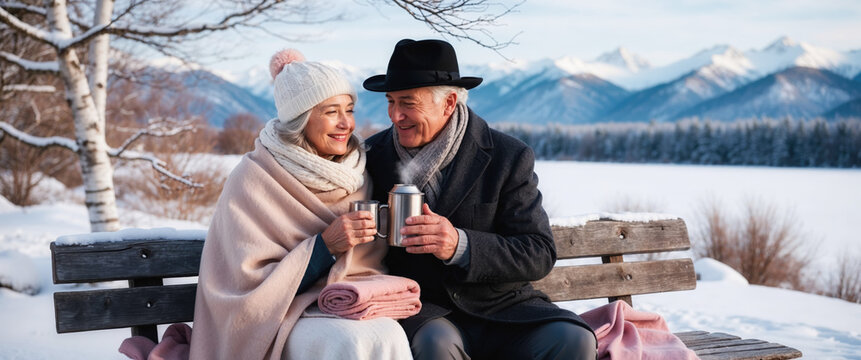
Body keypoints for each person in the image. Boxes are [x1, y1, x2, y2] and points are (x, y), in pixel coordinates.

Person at [363, 39, 598, 360]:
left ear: (448, 103)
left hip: (505, 307)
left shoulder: (508, 156)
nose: (395, 115)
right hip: (424, 309)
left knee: (573, 339)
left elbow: (538, 253)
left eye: (407, 103)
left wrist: (460, 245)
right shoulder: (372, 157)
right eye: (390, 102)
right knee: (434, 343)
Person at [190, 49, 412, 360]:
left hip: (347, 301)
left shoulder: (358, 172)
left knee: (387, 333)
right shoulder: (254, 177)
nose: (346, 124)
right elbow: (246, 286)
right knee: (346, 343)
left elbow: (366, 263)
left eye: (349, 110)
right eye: (331, 112)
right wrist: (325, 246)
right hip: (275, 316)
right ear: (300, 119)